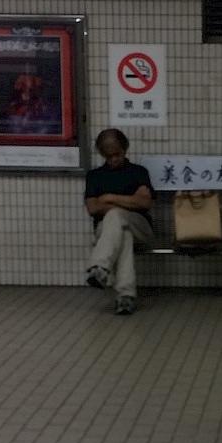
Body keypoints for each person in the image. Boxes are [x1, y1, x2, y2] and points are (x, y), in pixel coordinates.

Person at [84, 128, 154, 314]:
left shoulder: (138, 172)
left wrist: (109, 198)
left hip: (141, 228)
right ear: (102, 154)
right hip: (107, 231)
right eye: (109, 156)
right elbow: (93, 208)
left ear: (125, 149)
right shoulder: (95, 176)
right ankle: (125, 297)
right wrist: (130, 201)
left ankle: (100, 267)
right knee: (123, 233)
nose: (114, 159)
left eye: (117, 154)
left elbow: (145, 203)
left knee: (116, 215)